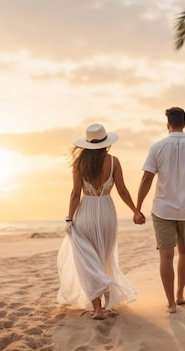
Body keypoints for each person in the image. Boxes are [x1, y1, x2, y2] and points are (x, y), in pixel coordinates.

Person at [57, 123, 143, 320]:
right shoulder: (113, 162)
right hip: (106, 213)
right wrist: (135, 210)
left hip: (86, 212)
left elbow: (75, 194)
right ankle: (105, 295)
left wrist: (69, 218)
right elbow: (122, 190)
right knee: (103, 258)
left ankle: (97, 308)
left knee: (87, 262)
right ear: (106, 143)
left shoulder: (79, 164)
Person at [136, 107, 185, 313]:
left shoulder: (157, 147)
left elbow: (147, 178)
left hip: (162, 209)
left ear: (167, 124)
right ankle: (180, 294)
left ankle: (170, 303)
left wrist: (137, 207)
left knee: (166, 256)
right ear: (184, 124)